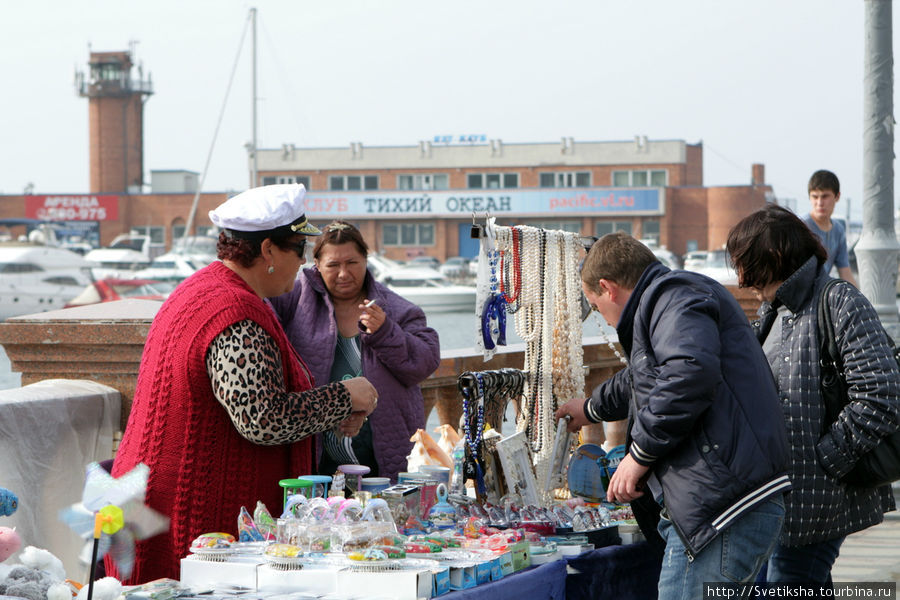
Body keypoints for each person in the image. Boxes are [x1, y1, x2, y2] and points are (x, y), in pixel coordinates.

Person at [107, 185, 378, 583]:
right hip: (186, 517)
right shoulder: (233, 312)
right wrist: (344, 395)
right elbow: (262, 418)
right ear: (268, 251)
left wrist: (331, 410)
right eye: (298, 251)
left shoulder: (202, 291)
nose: (304, 264)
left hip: (157, 507)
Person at [555, 232, 791, 599]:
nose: (602, 317)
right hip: (721, 503)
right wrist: (588, 409)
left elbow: (689, 373)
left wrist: (638, 455)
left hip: (723, 509)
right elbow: (642, 377)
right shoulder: (666, 302)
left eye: (596, 306)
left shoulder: (674, 296)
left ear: (607, 287)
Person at [727, 204, 899, 588]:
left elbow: (882, 395)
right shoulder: (776, 311)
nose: (741, 277)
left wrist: (827, 461)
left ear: (773, 256)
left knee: (792, 583)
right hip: (784, 499)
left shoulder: (839, 300)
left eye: (746, 262)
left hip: (821, 499)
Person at [269, 220, 440, 482]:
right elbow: (258, 315)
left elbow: (424, 362)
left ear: (366, 259)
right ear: (316, 264)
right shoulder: (293, 297)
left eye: (352, 263)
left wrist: (386, 332)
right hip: (314, 456)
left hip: (382, 457)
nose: (343, 273)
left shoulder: (395, 309)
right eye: (333, 265)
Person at [804, 169, 858, 287]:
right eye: (815, 197)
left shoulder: (838, 230)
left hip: (821, 293)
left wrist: (862, 299)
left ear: (837, 196)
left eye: (825, 196)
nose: (819, 203)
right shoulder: (802, 227)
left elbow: (845, 272)